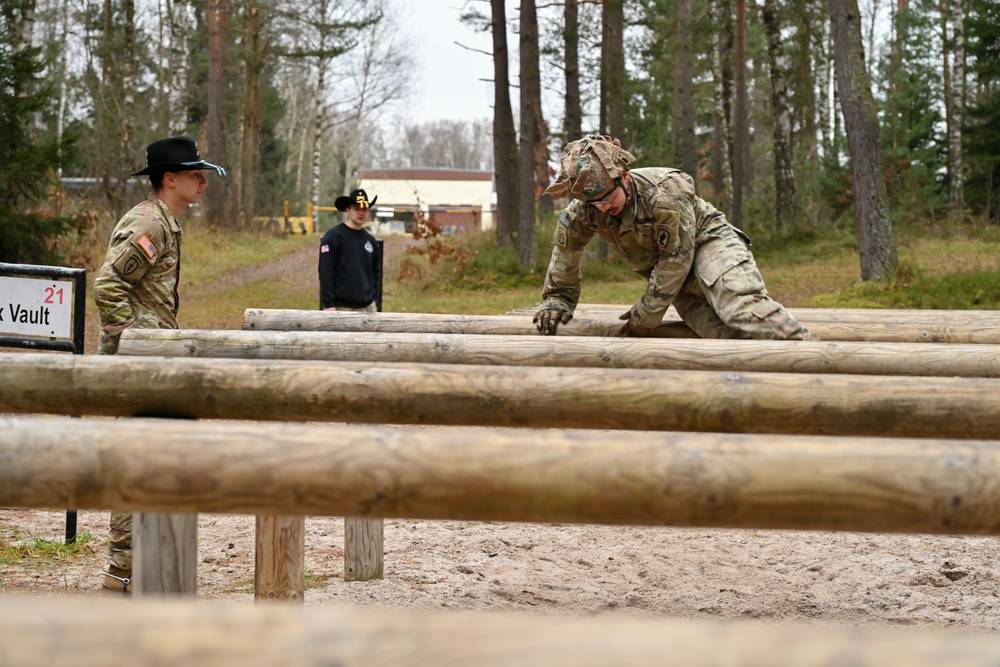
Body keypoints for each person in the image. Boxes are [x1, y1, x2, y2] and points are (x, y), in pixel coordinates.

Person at [92, 136, 226, 592]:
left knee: (150, 457)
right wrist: (129, 345)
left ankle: (134, 567)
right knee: (136, 460)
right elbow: (107, 286)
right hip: (139, 363)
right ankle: (122, 570)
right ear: (171, 179)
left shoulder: (164, 221)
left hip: (151, 359)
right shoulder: (151, 224)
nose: (203, 182)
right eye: (194, 175)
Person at [533, 135, 810, 340]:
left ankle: (814, 358)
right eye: (595, 203)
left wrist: (644, 315)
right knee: (722, 335)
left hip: (707, 242)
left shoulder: (663, 192)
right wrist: (557, 299)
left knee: (739, 308)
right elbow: (566, 252)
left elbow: (677, 258)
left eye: (608, 198)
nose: (604, 207)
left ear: (624, 177)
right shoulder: (586, 209)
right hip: (670, 275)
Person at [318, 188, 382, 313]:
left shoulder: (370, 241)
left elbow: (376, 273)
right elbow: (326, 272)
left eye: (364, 209)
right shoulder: (333, 237)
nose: (361, 213)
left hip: (368, 308)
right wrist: (329, 304)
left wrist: (374, 299)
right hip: (341, 308)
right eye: (356, 208)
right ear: (348, 210)